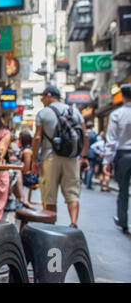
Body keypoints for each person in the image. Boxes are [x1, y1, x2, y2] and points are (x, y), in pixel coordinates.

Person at [31, 85, 89, 228]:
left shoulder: (43, 113)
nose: (42, 100)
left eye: (43, 97)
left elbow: (37, 137)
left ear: (49, 95)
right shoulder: (74, 111)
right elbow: (85, 135)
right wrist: (83, 156)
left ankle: (52, 226)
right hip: (71, 157)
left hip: (50, 158)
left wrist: (33, 159)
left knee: (49, 195)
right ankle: (74, 223)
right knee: (72, 193)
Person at [103, 83, 131, 233]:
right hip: (123, 155)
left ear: (123, 96)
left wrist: (106, 161)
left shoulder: (117, 114)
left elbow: (112, 140)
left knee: (123, 190)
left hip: (123, 156)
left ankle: (123, 220)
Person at [83, 121, 98, 189]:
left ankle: (86, 181)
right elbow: (96, 144)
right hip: (92, 153)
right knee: (90, 168)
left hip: (85, 152)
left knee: (86, 167)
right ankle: (88, 183)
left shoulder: (84, 134)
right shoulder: (93, 135)